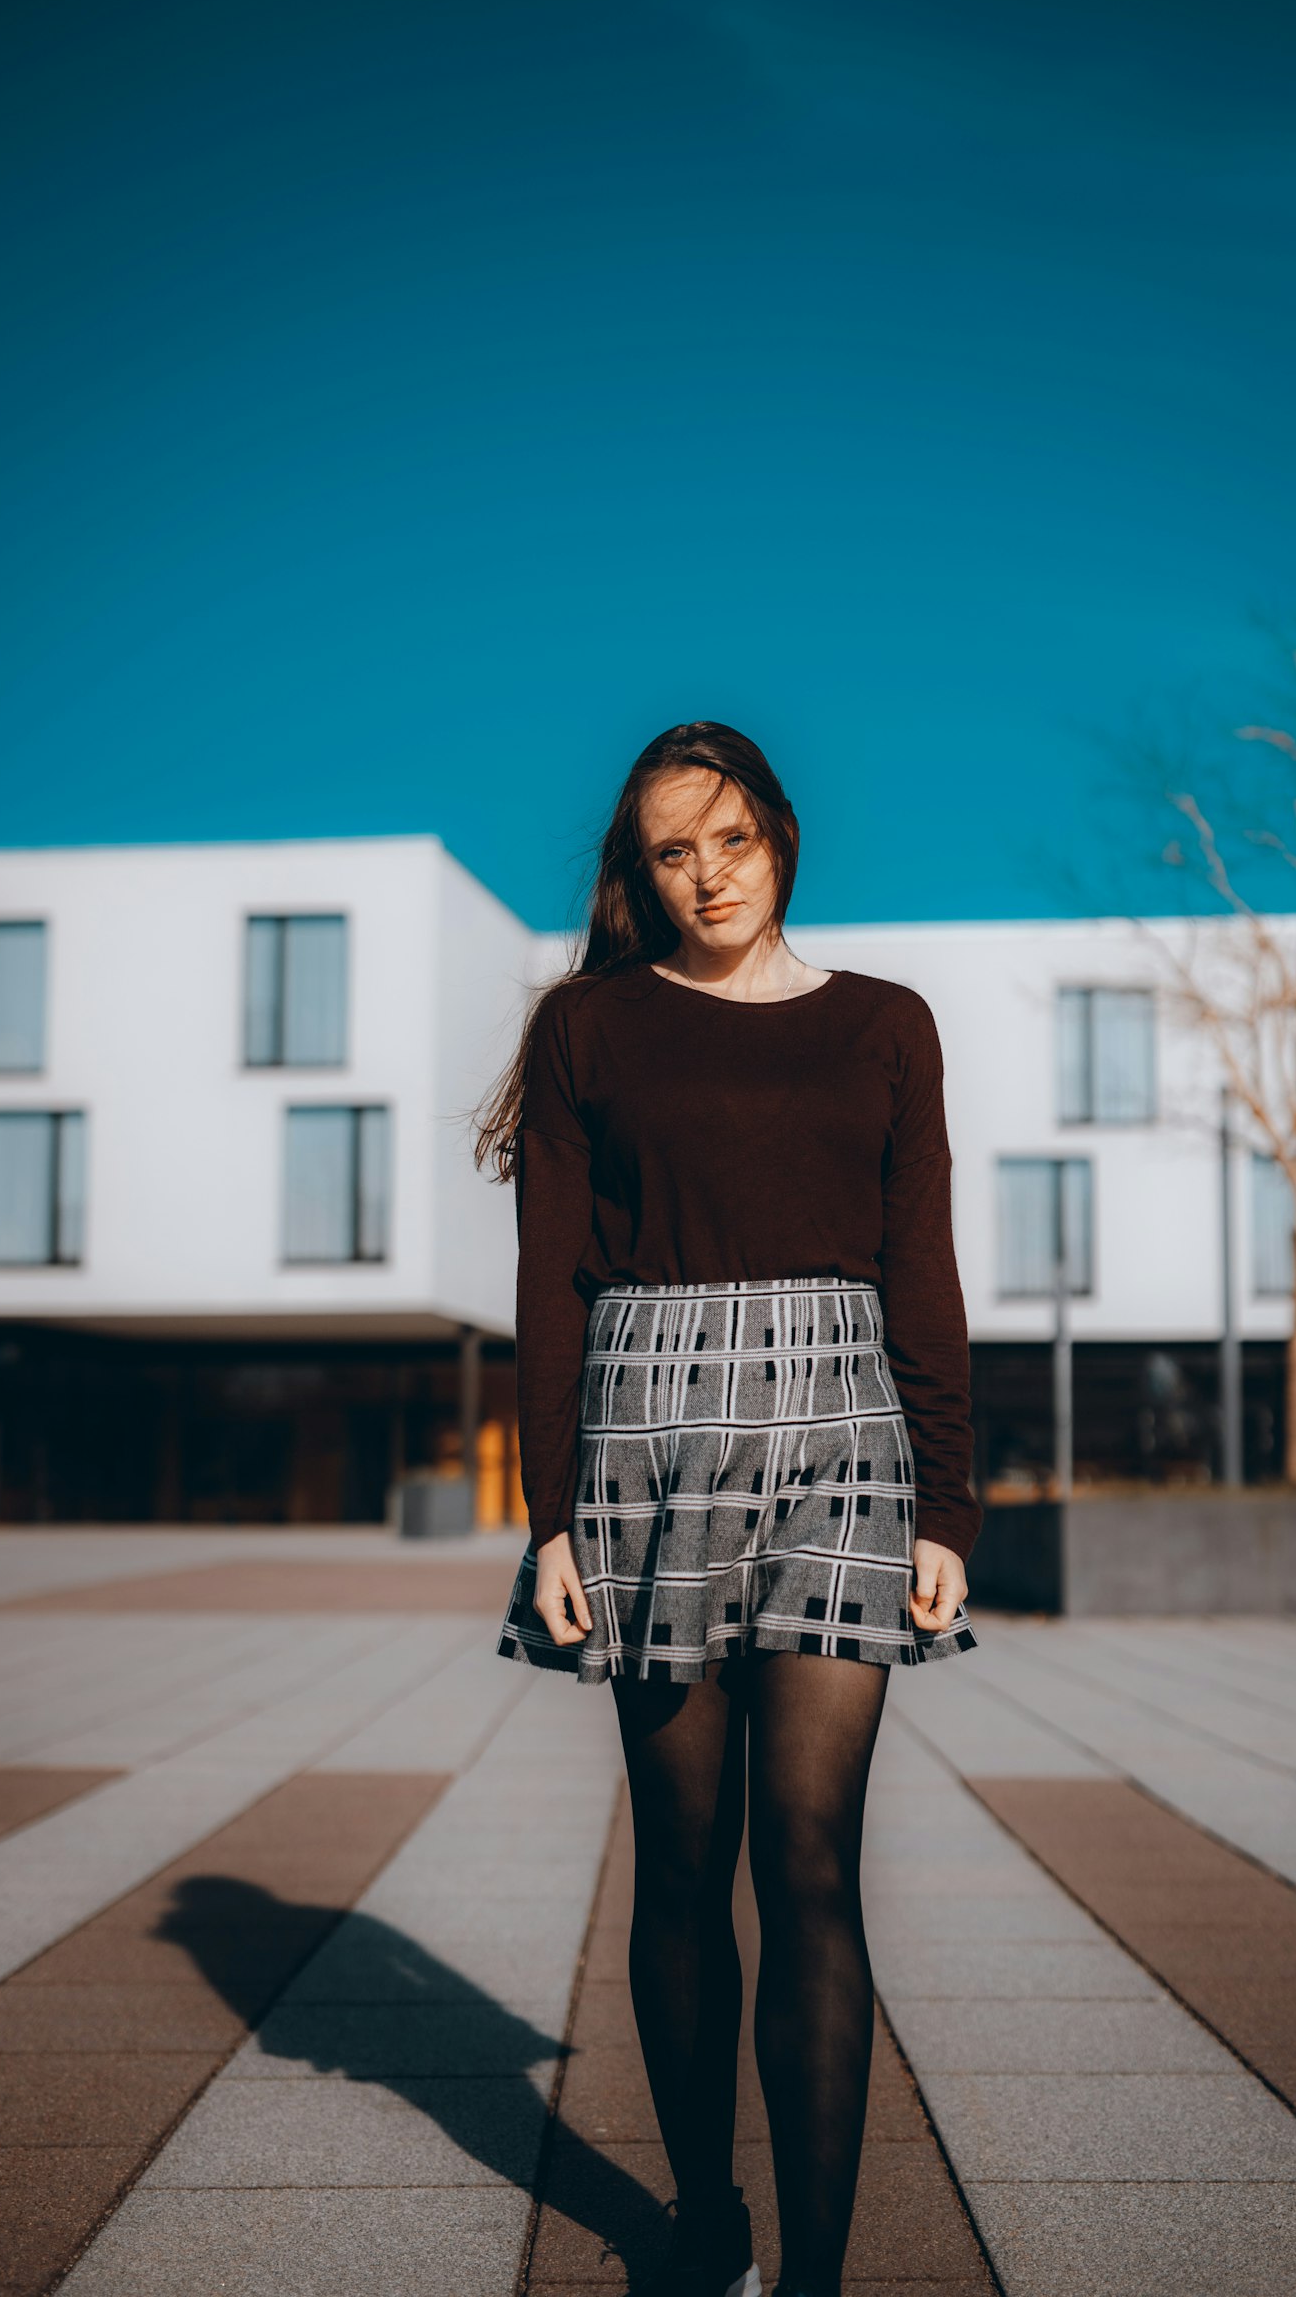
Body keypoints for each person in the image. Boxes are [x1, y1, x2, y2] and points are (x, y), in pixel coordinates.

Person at [475, 722, 982, 2297]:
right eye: (671, 852)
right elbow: (550, 1288)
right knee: (685, 1857)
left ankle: (817, 2278)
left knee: (811, 1858)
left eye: (731, 841)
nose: (706, 876)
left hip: (846, 1430)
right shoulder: (589, 1030)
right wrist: (550, 1515)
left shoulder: (889, 1026)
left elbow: (925, 1267)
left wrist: (948, 1505)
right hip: (648, 1435)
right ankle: (706, 2219)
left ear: (782, 837)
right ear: (642, 869)